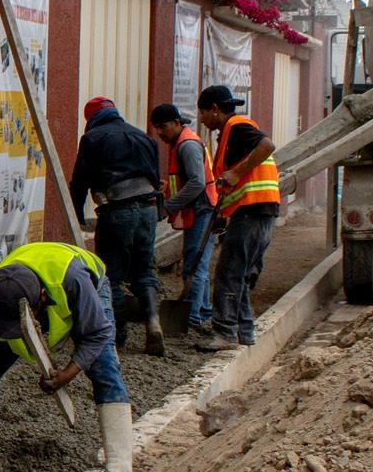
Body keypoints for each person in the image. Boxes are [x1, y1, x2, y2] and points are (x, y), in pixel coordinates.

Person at [0, 241, 134, 472]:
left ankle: (119, 469)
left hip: (89, 288)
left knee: (104, 370)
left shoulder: (73, 281)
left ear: (40, 299)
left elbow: (97, 333)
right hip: (31, 300)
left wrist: (68, 372)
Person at [67, 96, 164, 355]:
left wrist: (76, 215)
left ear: (91, 118)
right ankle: (153, 322)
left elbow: (79, 182)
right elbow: (156, 179)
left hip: (118, 210)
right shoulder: (144, 137)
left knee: (111, 275)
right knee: (144, 270)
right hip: (148, 210)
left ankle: (118, 336)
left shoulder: (94, 138)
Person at [192, 84, 280, 352]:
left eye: (204, 113)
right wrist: (223, 213)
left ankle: (225, 332)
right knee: (239, 273)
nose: (203, 119)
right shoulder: (231, 132)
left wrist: (235, 172)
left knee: (228, 273)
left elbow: (268, 144)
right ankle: (244, 330)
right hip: (254, 211)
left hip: (253, 211)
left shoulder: (237, 126)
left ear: (215, 109)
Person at [148, 103, 219, 341]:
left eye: (163, 127)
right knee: (198, 262)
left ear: (177, 123)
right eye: (156, 128)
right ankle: (204, 312)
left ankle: (192, 317)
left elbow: (197, 183)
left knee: (194, 264)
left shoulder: (187, 146)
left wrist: (169, 205)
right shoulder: (181, 142)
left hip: (203, 210)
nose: (160, 132)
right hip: (200, 209)